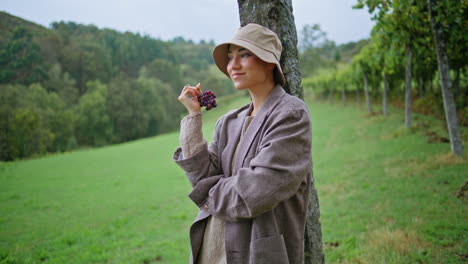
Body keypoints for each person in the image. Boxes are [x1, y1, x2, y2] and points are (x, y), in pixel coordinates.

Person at [173, 23, 312, 264]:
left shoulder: (291, 114)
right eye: (230, 58)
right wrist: (194, 117)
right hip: (211, 251)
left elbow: (256, 192)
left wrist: (207, 192)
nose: (233, 65)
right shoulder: (228, 122)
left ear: (269, 62)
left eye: (244, 55)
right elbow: (200, 176)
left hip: (256, 254)